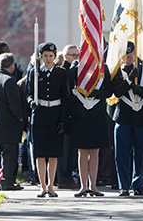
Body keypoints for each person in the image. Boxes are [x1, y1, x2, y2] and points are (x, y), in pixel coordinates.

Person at [111, 42, 143, 196]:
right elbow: (116, 91)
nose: (127, 58)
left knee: (142, 153)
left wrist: (141, 90)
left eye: (130, 55)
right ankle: (124, 185)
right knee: (122, 153)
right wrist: (129, 81)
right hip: (124, 116)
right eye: (125, 56)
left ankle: (139, 184)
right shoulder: (117, 69)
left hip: (142, 116)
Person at [26, 42, 70, 197]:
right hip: (40, 115)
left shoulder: (61, 73)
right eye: (45, 56)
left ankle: (51, 186)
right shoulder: (34, 72)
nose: (48, 59)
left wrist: (63, 120)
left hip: (55, 114)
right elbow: (29, 93)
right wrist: (31, 102)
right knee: (40, 153)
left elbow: (65, 97)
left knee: (53, 153)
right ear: (41, 56)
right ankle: (42, 186)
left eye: (51, 56)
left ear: (54, 56)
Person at [69, 62, 111, 197]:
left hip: (97, 114)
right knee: (82, 151)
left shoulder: (103, 69)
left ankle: (93, 186)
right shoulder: (76, 69)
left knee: (94, 151)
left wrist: (98, 93)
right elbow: (69, 90)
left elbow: (109, 91)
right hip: (80, 115)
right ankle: (83, 186)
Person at [0, 53, 25, 191]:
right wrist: (21, 117)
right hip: (9, 124)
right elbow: (14, 104)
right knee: (9, 154)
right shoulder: (9, 80)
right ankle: (7, 182)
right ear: (12, 65)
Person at [58, 44, 80, 189]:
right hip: (63, 115)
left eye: (78, 55)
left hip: (74, 115)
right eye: (74, 55)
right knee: (64, 150)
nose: (77, 58)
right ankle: (63, 178)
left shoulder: (75, 70)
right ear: (66, 56)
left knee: (72, 150)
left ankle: (69, 175)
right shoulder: (63, 71)